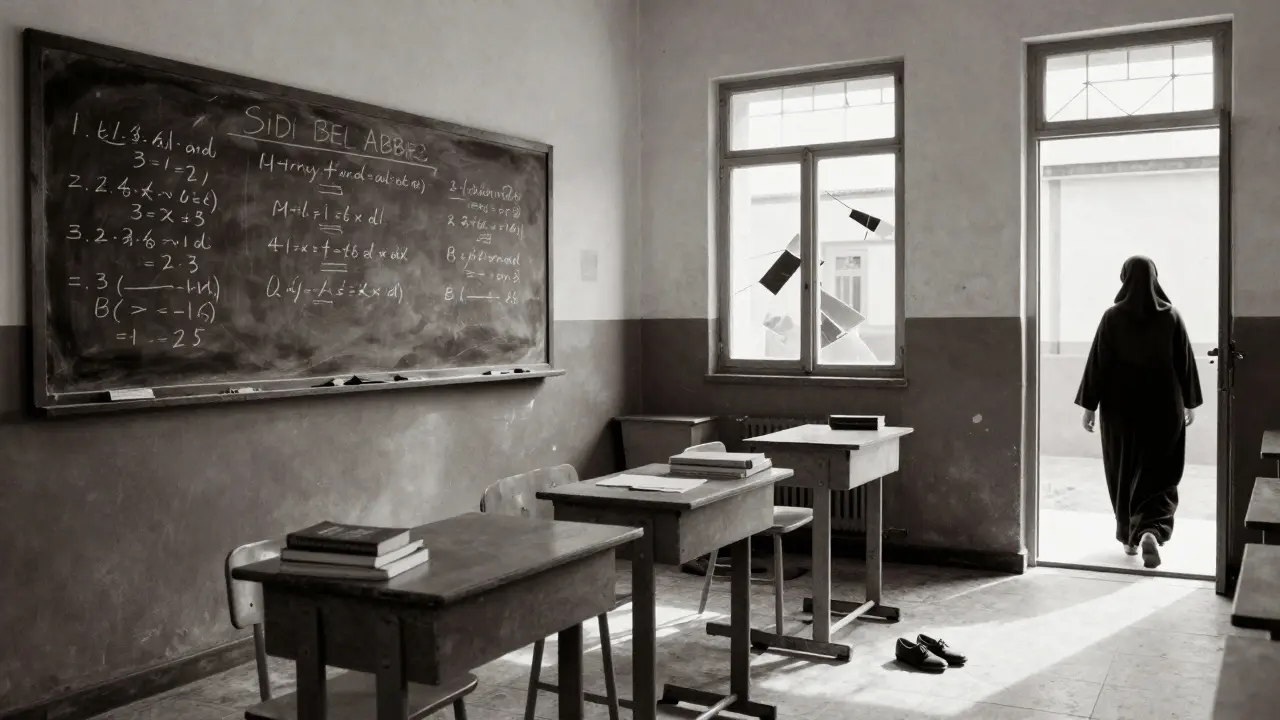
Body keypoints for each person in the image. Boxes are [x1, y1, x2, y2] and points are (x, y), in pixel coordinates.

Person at [1074, 255, 1202, 569]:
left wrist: (1089, 406)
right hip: (1163, 408)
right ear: (1155, 279)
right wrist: (1189, 401)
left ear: (1124, 279)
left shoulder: (1112, 317)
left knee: (1124, 470)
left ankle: (1129, 537)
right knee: (1161, 471)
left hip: (1121, 411)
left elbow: (1098, 363)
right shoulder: (1171, 316)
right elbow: (1184, 361)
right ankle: (1152, 530)